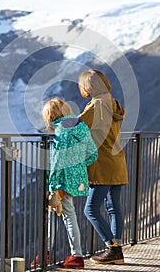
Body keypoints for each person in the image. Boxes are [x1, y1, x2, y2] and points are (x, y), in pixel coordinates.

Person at [78, 69, 128, 265]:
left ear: (88, 87)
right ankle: (117, 253)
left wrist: (56, 123)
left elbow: (78, 124)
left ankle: (113, 248)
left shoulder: (97, 104)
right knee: (114, 207)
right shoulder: (114, 103)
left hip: (103, 163)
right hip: (117, 161)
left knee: (90, 210)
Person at [42, 97, 98, 269]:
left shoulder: (61, 131)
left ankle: (76, 256)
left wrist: (52, 186)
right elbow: (93, 154)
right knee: (64, 213)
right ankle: (48, 253)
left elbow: (58, 161)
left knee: (64, 214)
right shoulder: (80, 126)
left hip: (63, 179)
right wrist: (78, 167)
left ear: (50, 116)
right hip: (79, 178)